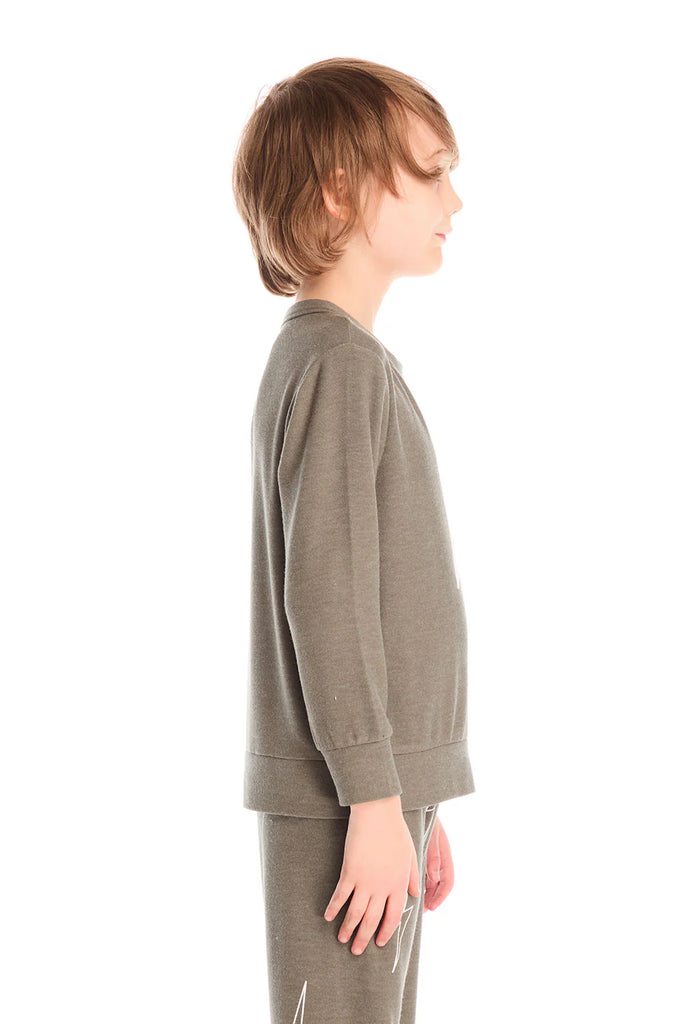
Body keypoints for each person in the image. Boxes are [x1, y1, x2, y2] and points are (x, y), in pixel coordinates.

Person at [232, 56, 475, 1024]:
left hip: (366, 787)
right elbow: (326, 596)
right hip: (344, 796)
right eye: (431, 172)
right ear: (340, 191)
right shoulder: (336, 366)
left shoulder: (342, 359)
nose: (454, 199)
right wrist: (374, 802)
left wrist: (409, 795)